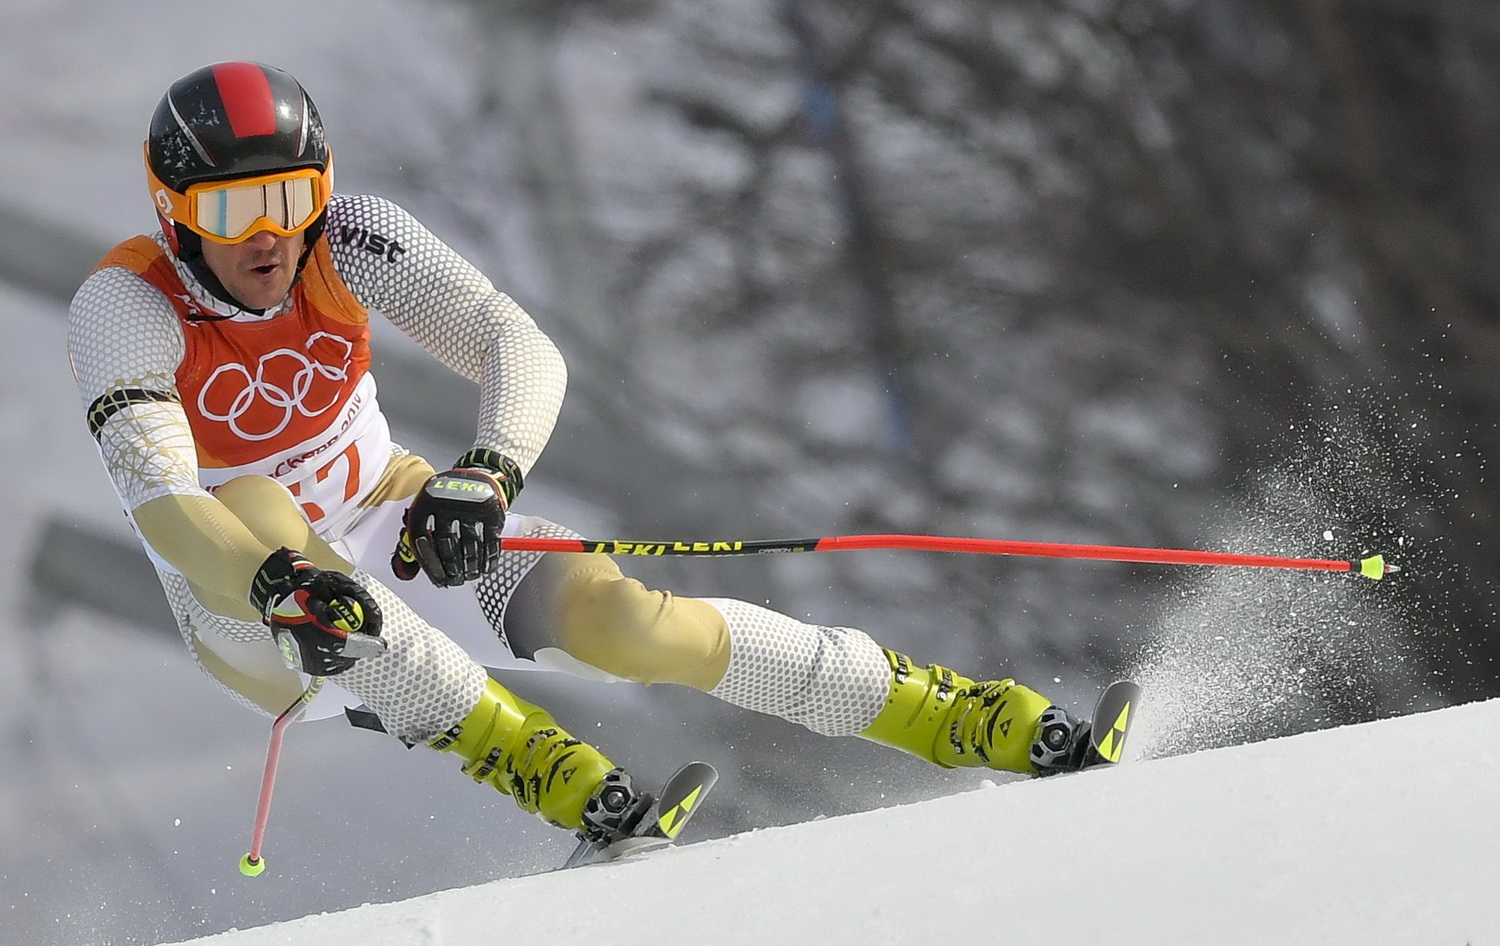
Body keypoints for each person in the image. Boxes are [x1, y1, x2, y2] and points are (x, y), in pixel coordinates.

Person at [68, 61, 1096, 848]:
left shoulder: (356, 237)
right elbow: (166, 504)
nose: (270, 238)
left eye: (291, 199)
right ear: (175, 212)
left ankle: (959, 715)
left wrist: (487, 472)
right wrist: (274, 580)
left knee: (627, 621)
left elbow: (516, 342)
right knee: (259, 503)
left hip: (393, 511)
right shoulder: (125, 308)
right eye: (233, 211)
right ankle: (538, 765)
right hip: (242, 598)